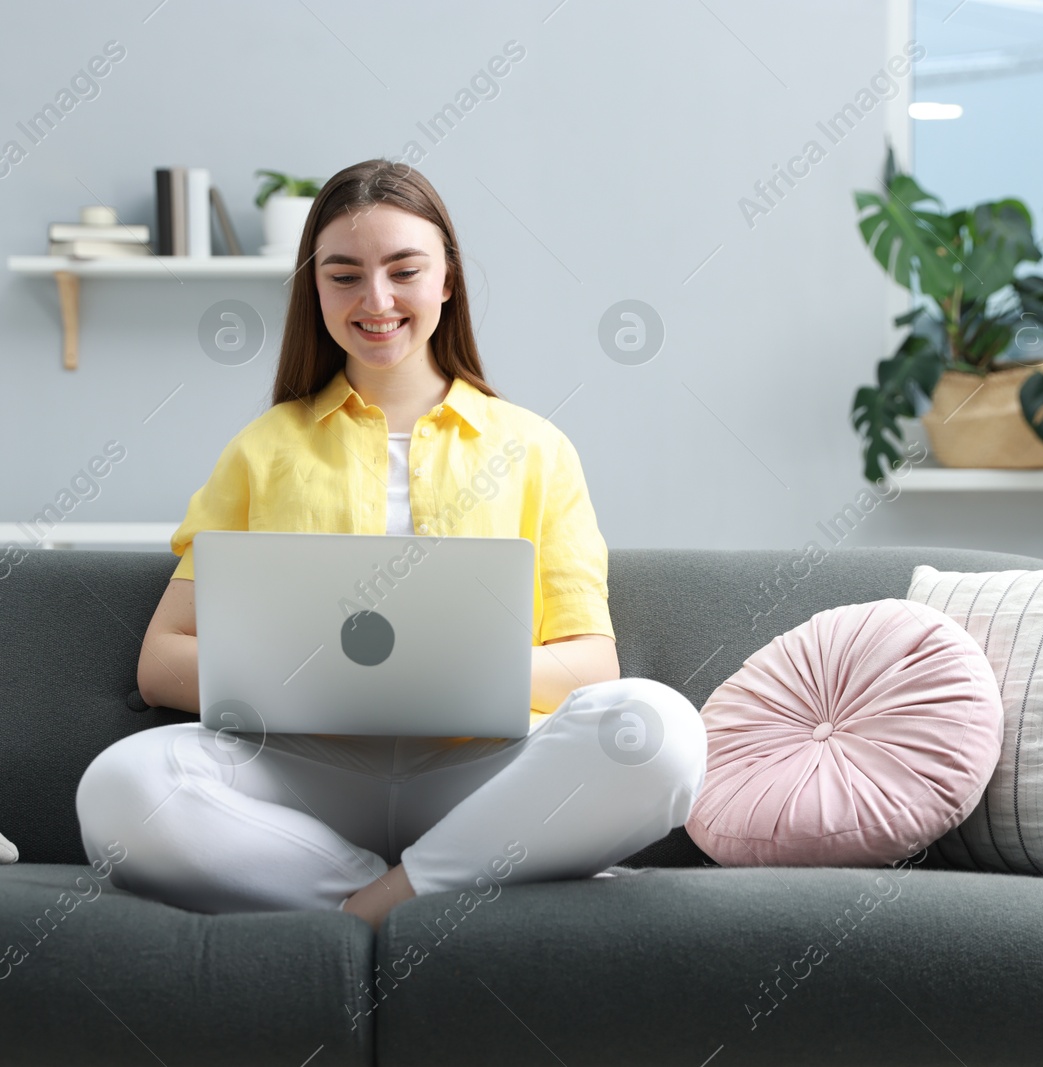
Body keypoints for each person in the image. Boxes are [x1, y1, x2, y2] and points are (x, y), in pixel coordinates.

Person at [74, 159, 706, 929]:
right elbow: (163, 658)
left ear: (447, 282)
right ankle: (448, 881)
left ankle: (378, 905)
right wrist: (312, 680)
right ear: (317, 291)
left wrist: (438, 677)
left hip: (480, 767)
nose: (375, 301)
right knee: (118, 787)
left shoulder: (537, 449)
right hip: (303, 773)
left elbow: (589, 665)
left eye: (404, 270)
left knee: (660, 730)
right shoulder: (263, 449)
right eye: (343, 276)